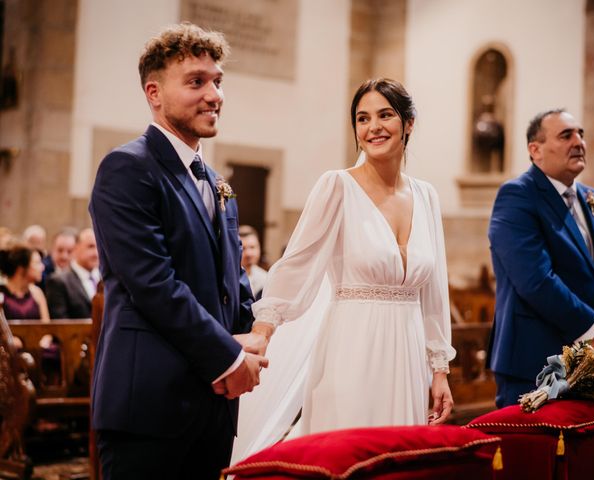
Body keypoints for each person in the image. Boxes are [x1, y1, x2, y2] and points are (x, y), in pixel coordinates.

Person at [234, 78, 455, 461]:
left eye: (385, 115)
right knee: (347, 457)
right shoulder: (336, 186)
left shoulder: (427, 196)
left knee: (399, 459)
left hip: (407, 353)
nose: (373, 127)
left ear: (409, 123)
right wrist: (262, 330)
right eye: (362, 118)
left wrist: (440, 369)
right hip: (352, 348)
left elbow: (434, 292)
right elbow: (296, 265)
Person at [89, 23, 268, 479]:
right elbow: (154, 285)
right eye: (196, 82)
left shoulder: (214, 181)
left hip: (213, 406)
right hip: (151, 406)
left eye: (217, 82)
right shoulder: (128, 168)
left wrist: (249, 334)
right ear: (154, 92)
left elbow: (235, 277)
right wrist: (229, 357)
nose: (214, 95)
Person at [487, 108, 594, 408]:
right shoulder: (517, 196)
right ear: (535, 150)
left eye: (581, 134)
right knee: (533, 452)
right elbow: (535, 280)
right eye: (566, 135)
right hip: (534, 359)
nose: (578, 142)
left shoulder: (592, 200)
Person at [46, 228, 100, 319]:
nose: (96, 253)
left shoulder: (106, 278)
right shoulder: (58, 281)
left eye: (99, 247)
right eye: (90, 247)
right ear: (76, 248)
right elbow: (61, 325)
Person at [0, 242, 49, 320]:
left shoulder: (37, 293)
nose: (42, 267)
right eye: (37, 263)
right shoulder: (2, 294)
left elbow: (46, 329)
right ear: (21, 268)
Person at [239, 225, 268, 299]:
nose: (249, 253)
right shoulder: (227, 279)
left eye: (252, 247)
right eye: (243, 248)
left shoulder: (266, 278)